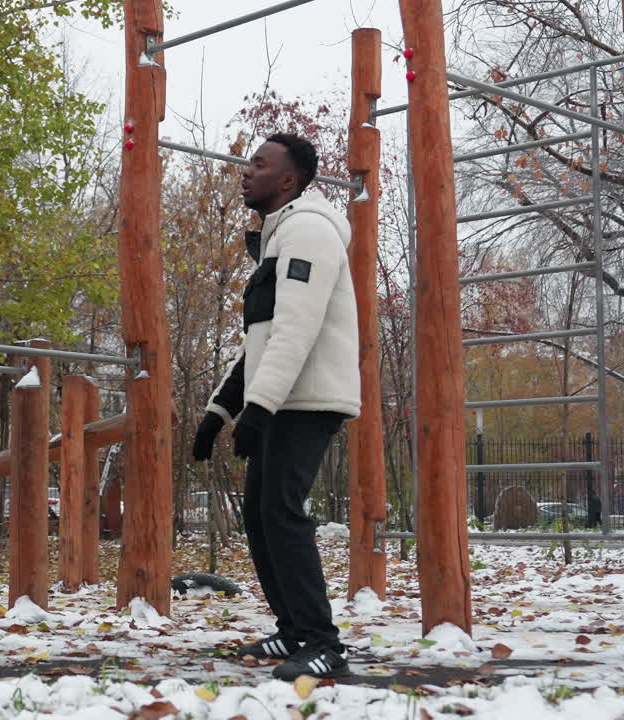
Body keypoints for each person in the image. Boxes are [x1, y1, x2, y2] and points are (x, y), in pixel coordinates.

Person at [191, 133, 360, 681]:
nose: (247, 171)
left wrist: (259, 410)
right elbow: (260, 340)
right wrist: (221, 409)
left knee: (282, 513)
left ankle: (321, 642)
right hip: (283, 396)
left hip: (306, 400)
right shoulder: (278, 235)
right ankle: (293, 631)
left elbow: (297, 327)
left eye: (259, 165)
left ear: (288, 180)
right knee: (263, 516)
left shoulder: (309, 230)